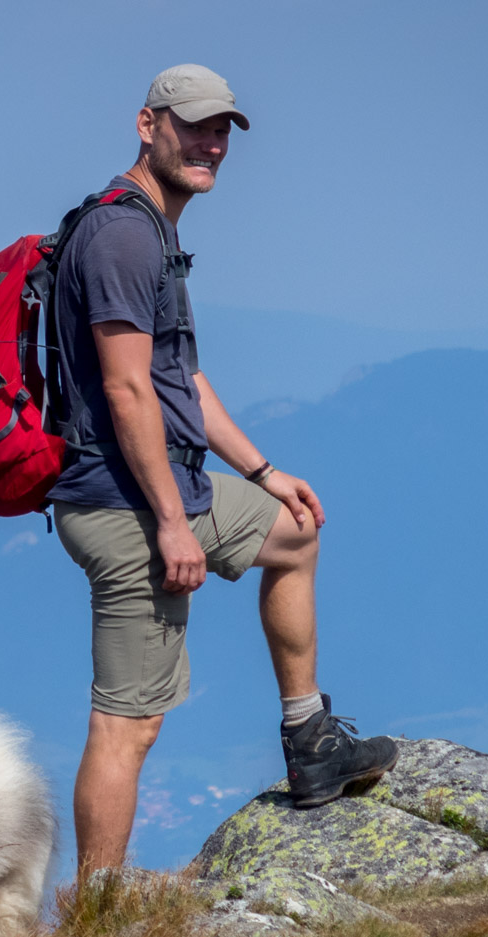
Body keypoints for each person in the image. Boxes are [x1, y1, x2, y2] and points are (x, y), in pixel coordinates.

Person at [48, 64, 399, 881]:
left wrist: (264, 470)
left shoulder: (152, 228)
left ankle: (309, 741)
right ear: (147, 124)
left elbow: (180, 380)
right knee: (126, 723)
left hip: (171, 488)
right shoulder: (124, 235)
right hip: (127, 507)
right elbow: (128, 388)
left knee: (293, 533)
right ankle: (96, 915)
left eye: (222, 130)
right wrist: (172, 522)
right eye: (193, 125)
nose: (210, 143)